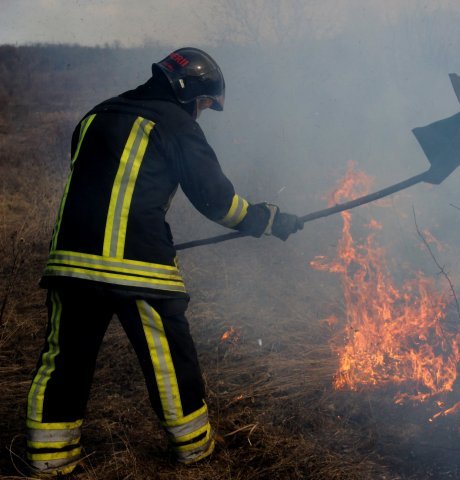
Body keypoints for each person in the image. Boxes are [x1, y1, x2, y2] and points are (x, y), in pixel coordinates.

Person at [25, 47, 303, 476]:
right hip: (139, 268)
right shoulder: (174, 123)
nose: (201, 112)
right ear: (188, 91)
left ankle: (49, 458)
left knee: (65, 359)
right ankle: (194, 449)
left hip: (70, 264)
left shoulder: (95, 115)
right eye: (204, 104)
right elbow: (218, 203)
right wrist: (269, 219)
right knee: (170, 359)